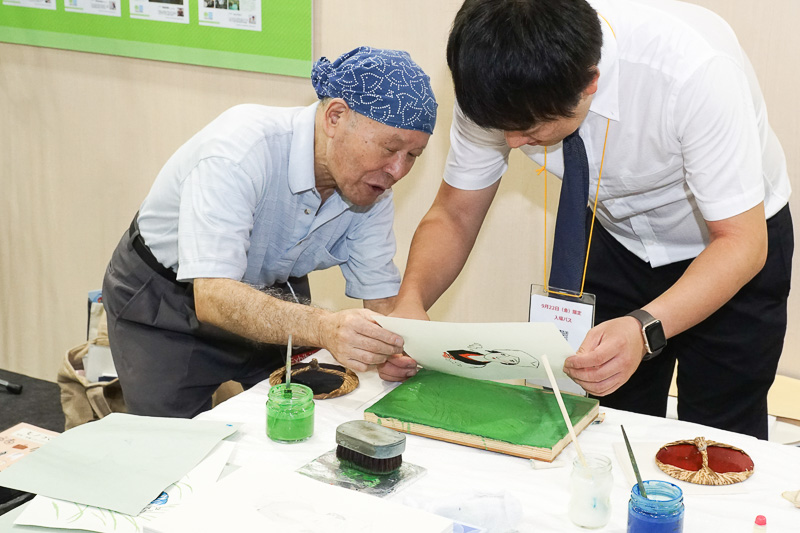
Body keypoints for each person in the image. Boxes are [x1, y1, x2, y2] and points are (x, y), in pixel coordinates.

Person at [383, 0, 793, 440]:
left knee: (715, 438)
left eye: (529, 130)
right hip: (617, 238)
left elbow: (741, 241)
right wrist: (411, 304)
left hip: (730, 248)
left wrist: (644, 327)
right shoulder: (493, 83)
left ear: (590, 83)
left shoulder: (692, 73)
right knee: (598, 421)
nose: (512, 141)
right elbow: (454, 212)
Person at [103, 46, 437, 418]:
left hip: (273, 294)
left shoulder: (371, 186)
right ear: (336, 116)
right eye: (390, 148)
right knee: (170, 445)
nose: (397, 170)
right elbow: (212, 295)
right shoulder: (239, 151)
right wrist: (325, 326)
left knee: (292, 425)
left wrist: (397, 347)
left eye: (413, 156)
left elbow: (383, 300)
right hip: (167, 299)